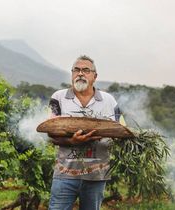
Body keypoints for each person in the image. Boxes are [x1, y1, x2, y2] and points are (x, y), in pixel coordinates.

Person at [48, 55, 121, 210]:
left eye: (86, 70)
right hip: (65, 173)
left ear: (95, 76)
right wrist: (72, 141)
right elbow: (51, 133)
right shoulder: (58, 97)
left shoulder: (109, 101)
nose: (80, 73)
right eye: (76, 70)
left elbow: (120, 130)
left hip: (96, 175)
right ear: (72, 74)